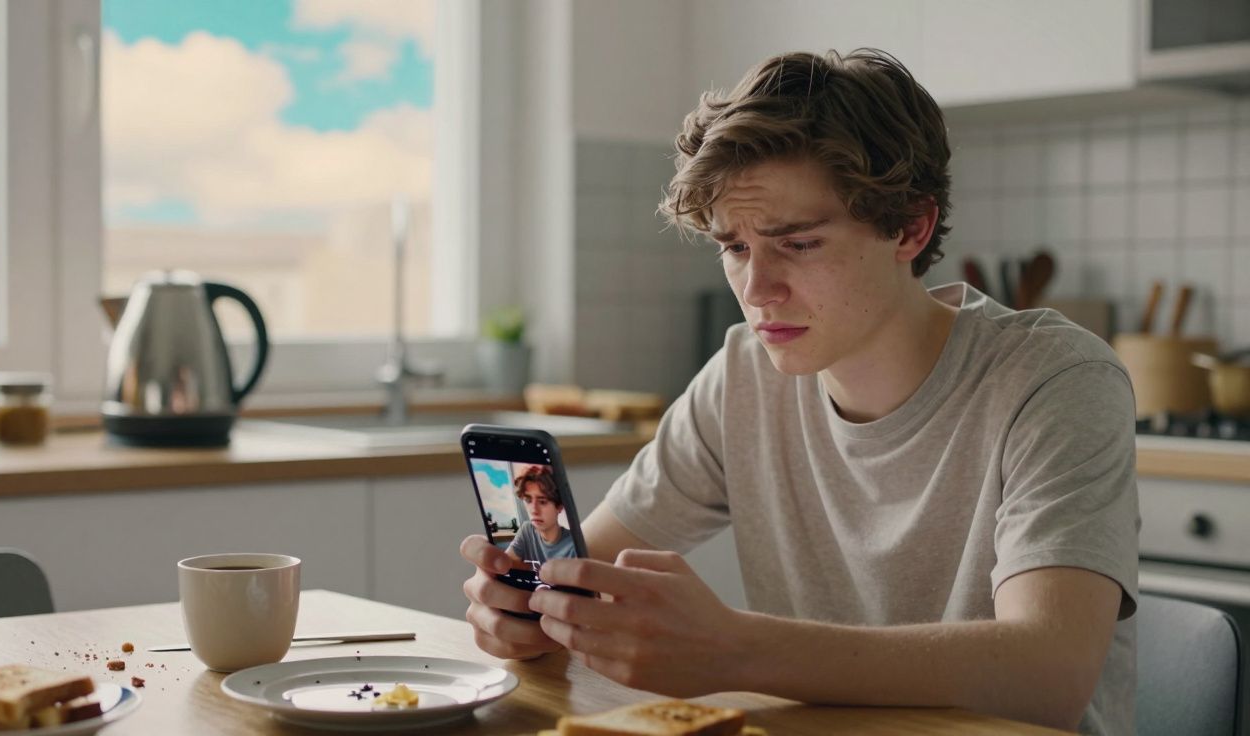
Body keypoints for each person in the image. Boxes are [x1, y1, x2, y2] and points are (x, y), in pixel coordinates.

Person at [460, 49, 1138, 736]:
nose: (757, 292)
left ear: (910, 227)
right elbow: (580, 574)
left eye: (799, 244)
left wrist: (733, 647)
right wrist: (528, 611)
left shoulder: (1055, 379)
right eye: (735, 249)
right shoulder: (740, 379)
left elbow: (1049, 673)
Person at [505, 466, 577, 567]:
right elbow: (506, 566)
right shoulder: (527, 530)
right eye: (528, 500)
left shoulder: (573, 545)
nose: (534, 510)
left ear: (559, 507)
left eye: (542, 502)